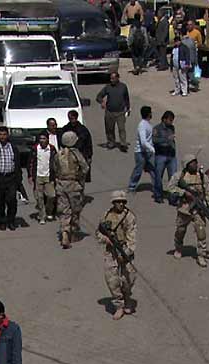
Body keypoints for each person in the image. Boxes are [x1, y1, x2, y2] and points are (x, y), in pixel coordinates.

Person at [96, 190, 137, 320]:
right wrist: (105, 239)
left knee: (128, 278)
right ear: (113, 203)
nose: (120, 204)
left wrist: (127, 253)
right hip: (110, 250)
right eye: (117, 201)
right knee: (111, 279)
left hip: (124, 249)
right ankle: (119, 306)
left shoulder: (129, 217)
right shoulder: (106, 215)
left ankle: (127, 298)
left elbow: (132, 237)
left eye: (122, 201)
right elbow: (98, 232)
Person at [166, 154, 209, 268]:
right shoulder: (179, 176)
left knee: (201, 232)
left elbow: (208, 193)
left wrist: (204, 205)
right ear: (187, 165)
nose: (195, 165)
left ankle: (201, 254)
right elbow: (170, 188)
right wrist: (184, 193)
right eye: (192, 163)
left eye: (195, 162)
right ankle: (178, 247)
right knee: (180, 230)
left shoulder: (202, 177)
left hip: (198, 210)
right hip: (184, 209)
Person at [54, 131, 89, 249]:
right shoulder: (76, 153)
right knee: (75, 210)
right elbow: (85, 168)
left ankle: (64, 232)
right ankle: (72, 233)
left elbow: (55, 168)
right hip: (74, 186)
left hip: (61, 185)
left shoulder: (59, 154)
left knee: (64, 211)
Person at [127, 106, 157, 199]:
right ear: (149, 114)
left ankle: (157, 188)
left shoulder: (148, 124)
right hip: (141, 152)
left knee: (153, 170)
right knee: (138, 170)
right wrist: (152, 149)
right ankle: (131, 187)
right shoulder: (142, 126)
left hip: (147, 152)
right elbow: (143, 142)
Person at [96, 72, 130, 152]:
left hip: (120, 112)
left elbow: (126, 98)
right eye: (111, 78)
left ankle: (123, 144)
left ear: (118, 78)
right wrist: (102, 102)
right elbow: (98, 96)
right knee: (109, 129)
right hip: (109, 112)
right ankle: (111, 142)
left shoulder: (123, 87)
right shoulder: (107, 87)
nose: (111, 80)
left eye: (113, 78)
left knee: (122, 128)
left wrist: (128, 108)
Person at [28, 132, 57, 224]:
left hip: (49, 176)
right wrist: (30, 175)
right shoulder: (35, 149)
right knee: (39, 197)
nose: (42, 140)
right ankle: (42, 216)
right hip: (38, 176)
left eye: (44, 138)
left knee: (51, 196)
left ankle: (49, 211)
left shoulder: (52, 149)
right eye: (40, 138)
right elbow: (30, 163)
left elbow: (56, 162)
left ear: (47, 139)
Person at [62, 110, 93, 182]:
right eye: (69, 118)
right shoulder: (66, 128)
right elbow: (62, 140)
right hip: (68, 155)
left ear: (76, 118)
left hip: (81, 154)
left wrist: (89, 156)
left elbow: (88, 143)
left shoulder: (83, 129)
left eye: (72, 118)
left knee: (81, 176)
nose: (71, 120)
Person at [153, 110, 177, 203]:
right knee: (159, 177)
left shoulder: (172, 128)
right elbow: (154, 140)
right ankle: (158, 195)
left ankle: (172, 198)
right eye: (170, 120)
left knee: (173, 178)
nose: (171, 122)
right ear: (164, 119)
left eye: (172, 120)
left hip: (171, 155)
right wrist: (166, 139)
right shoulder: (157, 128)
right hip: (161, 155)